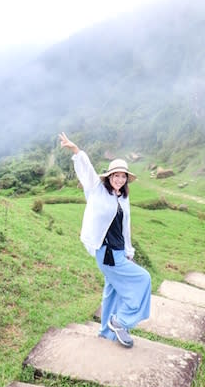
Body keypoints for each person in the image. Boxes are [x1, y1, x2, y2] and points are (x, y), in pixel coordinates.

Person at [59, 132, 151, 348]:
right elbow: (86, 170)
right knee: (143, 279)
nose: (119, 179)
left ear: (126, 179)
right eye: (115, 175)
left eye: (123, 176)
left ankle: (105, 332)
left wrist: (129, 251)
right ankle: (121, 321)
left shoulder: (124, 198)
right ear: (109, 177)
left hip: (120, 251)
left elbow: (124, 228)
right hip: (106, 253)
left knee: (112, 291)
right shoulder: (97, 190)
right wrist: (76, 151)